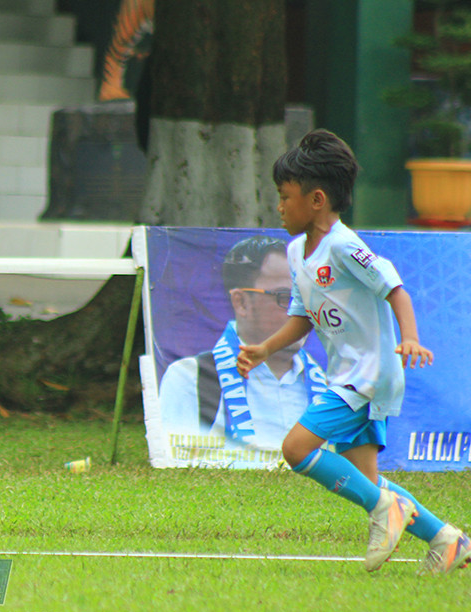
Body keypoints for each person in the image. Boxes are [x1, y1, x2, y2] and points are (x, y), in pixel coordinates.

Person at [237, 129, 470, 573]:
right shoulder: (294, 250)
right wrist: (265, 348)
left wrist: (411, 337)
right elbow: (303, 314)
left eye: (285, 196)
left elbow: (394, 287)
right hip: (346, 372)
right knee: (367, 482)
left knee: (296, 449)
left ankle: (386, 510)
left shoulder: (343, 245)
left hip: (367, 375)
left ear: (317, 200)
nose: (280, 205)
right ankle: (446, 538)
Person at [158, 235, 327, 455]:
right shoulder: (191, 379)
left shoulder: (330, 384)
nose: (303, 311)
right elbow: (176, 467)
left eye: (307, 297)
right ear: (241, 302)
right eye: (287, 297)